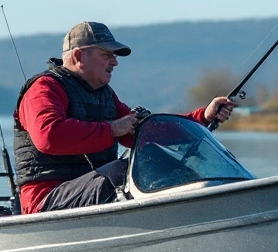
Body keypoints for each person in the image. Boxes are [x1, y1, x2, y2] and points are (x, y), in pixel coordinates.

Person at [13, 21, 235, 214]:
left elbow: (144, 132)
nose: (115, 62)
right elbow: (49, 136)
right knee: (122, 172)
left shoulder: (105, 95)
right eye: (107, 55)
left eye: (114, 56)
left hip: (89, 192)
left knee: (160, 166)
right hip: (45, 200)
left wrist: (203, 117)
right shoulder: (44, 89)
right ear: (79, 56)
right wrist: (112, 129)